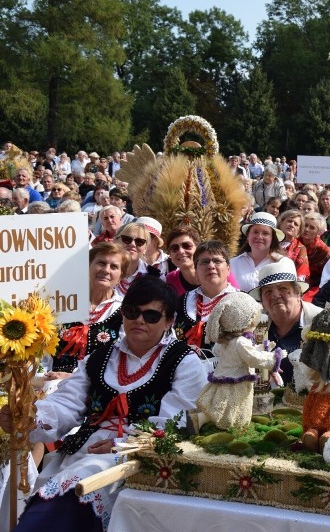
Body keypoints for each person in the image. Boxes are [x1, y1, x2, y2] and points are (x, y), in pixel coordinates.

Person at [1, 276, 207, 532]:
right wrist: (31, 416)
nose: (139, 320)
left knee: (66, 501)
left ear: (169, 321)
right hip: (85, 451)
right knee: (44, 500)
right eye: (132, 311)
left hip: (142, 461)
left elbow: (178, 422)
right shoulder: (101, 355)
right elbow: (67, 403)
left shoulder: (184, 361)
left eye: (152, 315)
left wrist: (125, 444)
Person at [51, 242, 129, 375]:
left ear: (121, 276)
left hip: (95, 387)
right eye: (101, 263)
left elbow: (120, 362)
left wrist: (71, 377)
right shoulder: (64, 301)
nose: (106, 270)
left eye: (114, 266)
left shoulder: (125, 312)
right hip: (51, 381)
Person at [250, 259, 321, 385]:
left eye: (283, 288)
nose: (275, 295)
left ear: (298, 292)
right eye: (268, 291)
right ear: (262, 300)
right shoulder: (255, 327)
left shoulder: (320, 321)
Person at [174, 240, 238, 351]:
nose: (211, 266)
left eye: (217, 261)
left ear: (228, 269)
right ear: (196, 270)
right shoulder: (181, 302)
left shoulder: (242, 301)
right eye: (204, 262)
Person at [229, 211, 283, 292]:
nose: (259, 237)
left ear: (273, 238)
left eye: (265, 233)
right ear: (248, 235)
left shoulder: (282, 263)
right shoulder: (233, 263)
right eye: (255, 232)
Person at [114, 222, 156, 295]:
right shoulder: (104, 269)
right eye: (127, 239)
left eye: (139, 241)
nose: (132, 244)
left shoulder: (155, 277)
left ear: (145, 248)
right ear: (116, 241)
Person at [276, 209, 310, 285]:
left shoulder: (300, 248)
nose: (291, 225)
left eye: (296, 224)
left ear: (298, 231)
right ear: (281, 223)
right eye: (289, 221)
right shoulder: (270, 241)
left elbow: (301, 274)